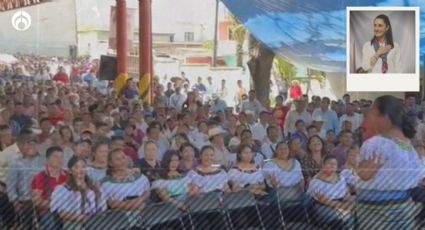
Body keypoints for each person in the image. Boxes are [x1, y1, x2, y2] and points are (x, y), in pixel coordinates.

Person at [356, 95, 421, 229]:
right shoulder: (408, 146)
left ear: (385, 117)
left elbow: (364, 174)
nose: (369, 116)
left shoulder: (377, 144)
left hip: (376, 211)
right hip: (402, 207)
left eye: (373, 113)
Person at [50, 156, 106, 230]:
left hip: (96, 223)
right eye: (76, 167)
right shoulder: (63, 189)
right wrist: (83, 219)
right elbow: (62, 213)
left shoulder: (95, 187)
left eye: (83, 166)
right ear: (70, 171)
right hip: (74, 224)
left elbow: (102, 207)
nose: (81, 170)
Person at [101, 148, 150, 227]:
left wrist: (140, 200)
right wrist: (132, 205)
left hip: (143, 216)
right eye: (118, 159)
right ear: (110, 163)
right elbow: (111, 203)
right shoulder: (106, 182)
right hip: (120, 221)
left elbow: (147, 192)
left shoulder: (138, 175)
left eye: (123, 157)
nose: (122, 161)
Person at [307, 155, 354, 230]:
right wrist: (342, 206)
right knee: (338, 219)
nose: (332, 166)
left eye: (335, 164)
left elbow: (346, 193)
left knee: (352, 214)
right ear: (323, 165)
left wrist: (349, 203)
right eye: (330, 163)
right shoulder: (315, 181)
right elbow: (323, 200)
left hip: (341, 203)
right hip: (324, 206)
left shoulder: (341, 177)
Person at [31, 146, 69, 229]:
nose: (60, 159)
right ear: (47, 159)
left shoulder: (68, 176)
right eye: (55, 156)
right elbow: (37, 202)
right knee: (50, 223)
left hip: (67, 210)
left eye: (61, 156)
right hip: (47, 210)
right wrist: (55, 205)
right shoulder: (39, 177)